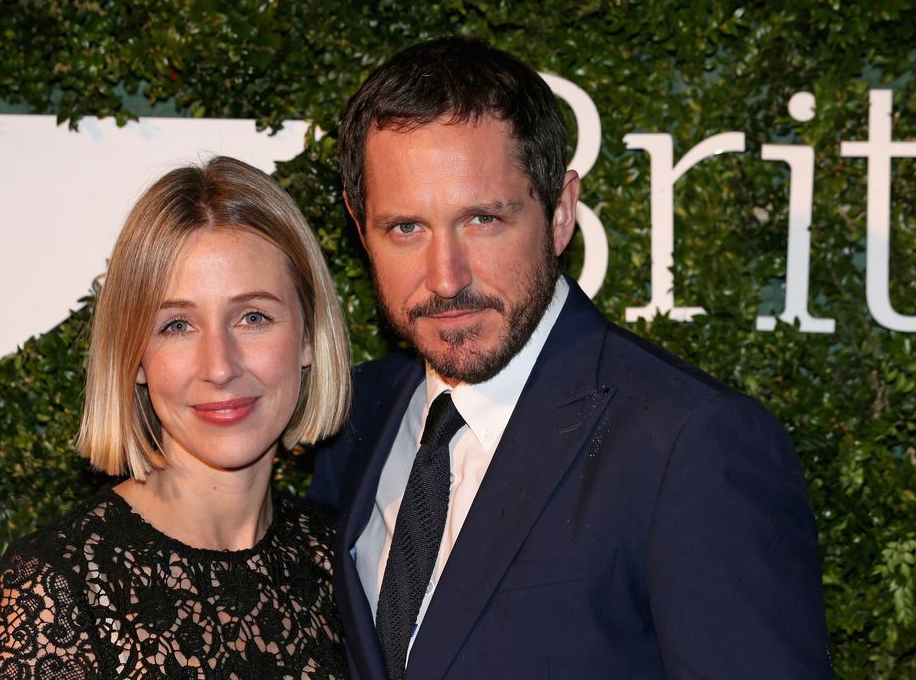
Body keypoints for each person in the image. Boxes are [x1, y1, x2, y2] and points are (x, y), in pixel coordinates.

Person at [309, 36, 834, 679]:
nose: (445, 278)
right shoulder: (356, 416)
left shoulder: (688, 444)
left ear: (559, 213)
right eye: (406, 228)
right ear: (360, 228)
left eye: (483, 220)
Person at [0, 156, 352, 679]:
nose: (219, 366)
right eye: (177, 325)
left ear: (308, 338)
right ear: (135, 356)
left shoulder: (348, 563)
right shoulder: (61, 587)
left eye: (253, 317)